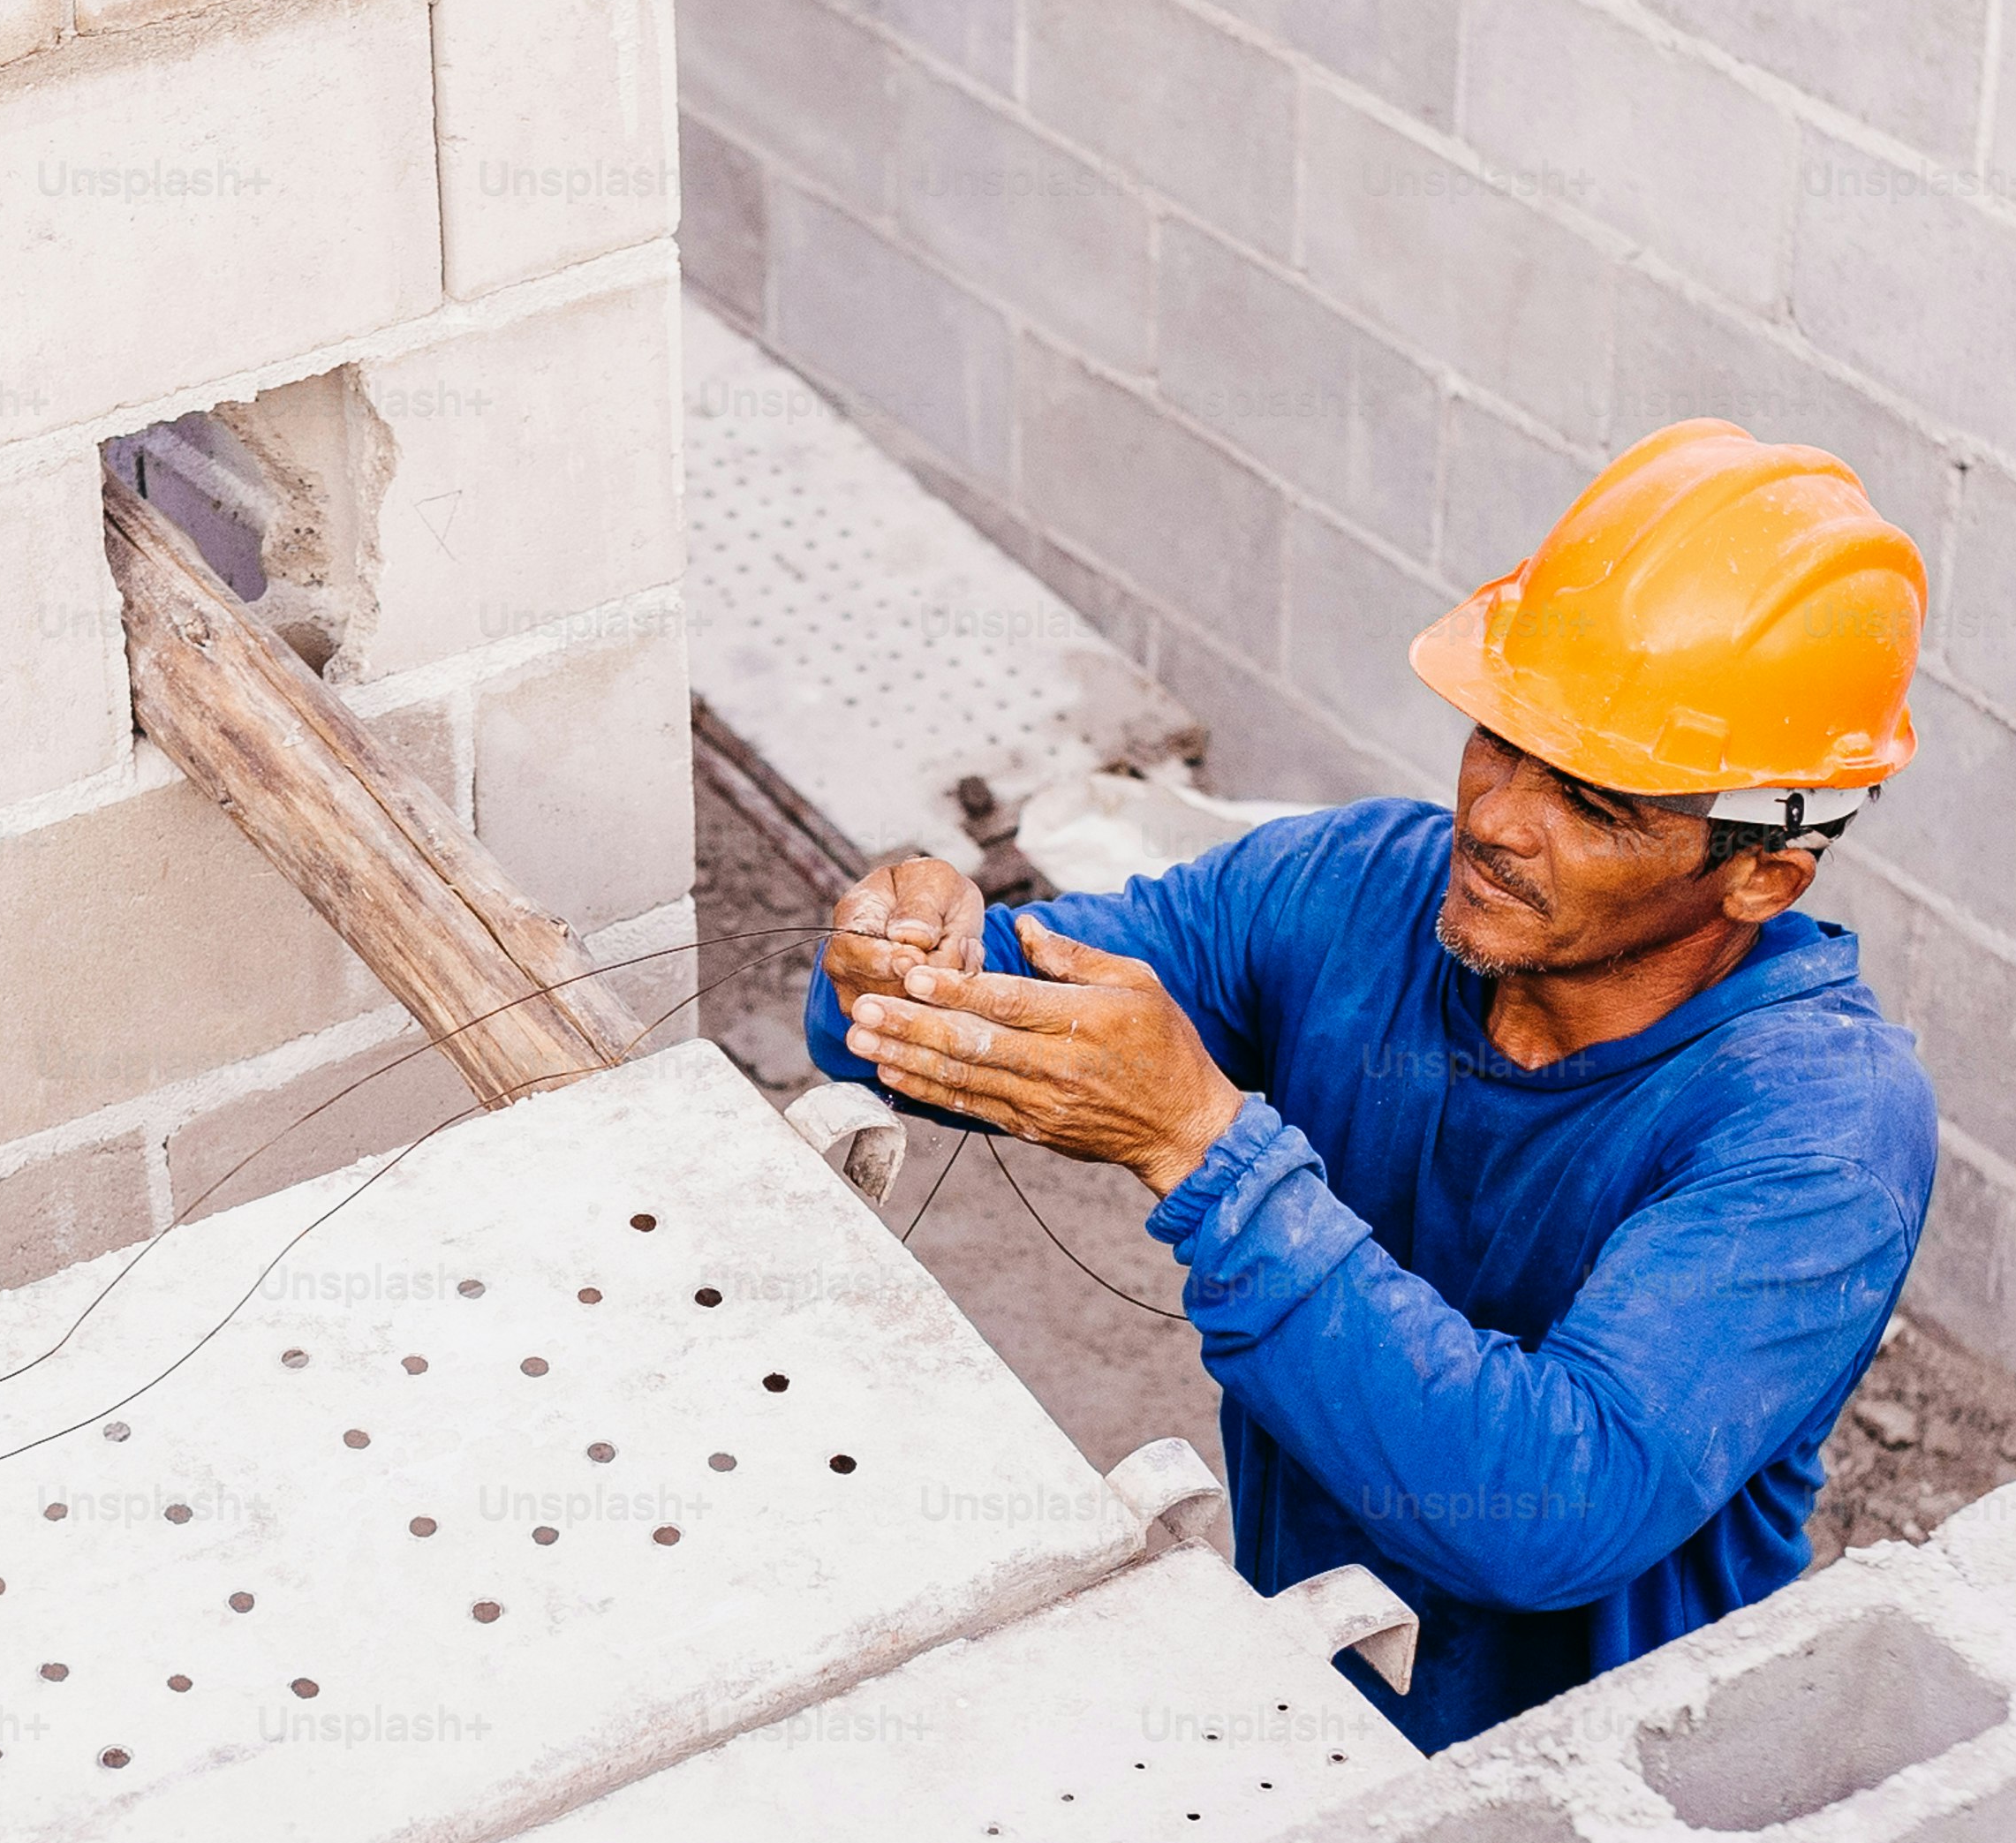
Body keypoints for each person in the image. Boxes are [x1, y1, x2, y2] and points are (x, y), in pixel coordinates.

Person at [806, 419, 1942, 1754]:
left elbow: (1549, 1500)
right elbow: (931, 1011)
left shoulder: (1818, 1133)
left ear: (1763, 875)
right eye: (1498, 738)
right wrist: (894, 955)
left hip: (1597, 1787)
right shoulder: (1356, 892)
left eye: (1594, 799)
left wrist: (1202, 1148)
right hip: (1310, 1675)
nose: (1498, 815)